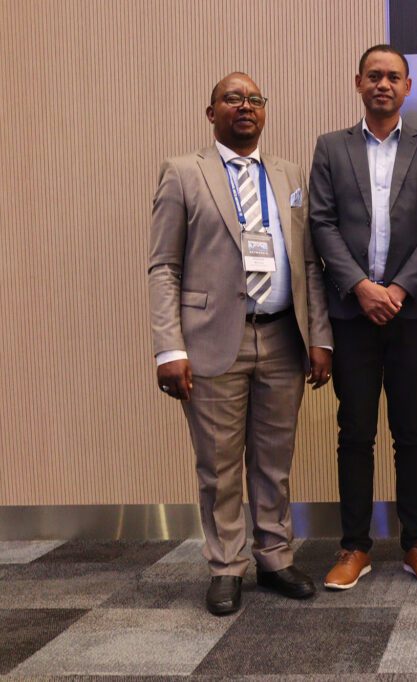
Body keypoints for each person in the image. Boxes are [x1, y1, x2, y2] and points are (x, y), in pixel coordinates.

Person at [148, 72, 333, 615]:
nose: (245, 106)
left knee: (274, 461)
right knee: (219, 465)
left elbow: (309, 264)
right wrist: (169, 348)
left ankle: (274, 557)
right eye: (232, 98)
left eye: (254, 99)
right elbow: (164, 267)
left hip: (282, 337)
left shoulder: (288, 173)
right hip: (211, 341)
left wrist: (319, 336)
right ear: (212, 113)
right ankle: (226, 565)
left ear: (264, 111)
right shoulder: (184, 172)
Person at [309, 45, 417, 590]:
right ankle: (354, 546)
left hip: (410, 314)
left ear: (407, 86)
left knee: (412, 431)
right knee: (355, 432)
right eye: (374, 75)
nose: (383, 84)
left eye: (393, 77)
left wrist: (395, 289)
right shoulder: (331, 147)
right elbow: (322, 224)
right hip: (352, 315)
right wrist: (361, 287)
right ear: (358, 82)